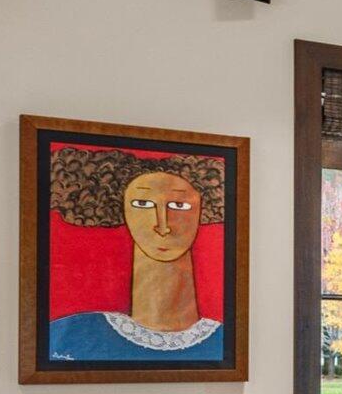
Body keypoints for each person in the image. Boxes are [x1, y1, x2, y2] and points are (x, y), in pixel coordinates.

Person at [46, 144, 228, 363]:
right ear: (118, 208)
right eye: (142, 204)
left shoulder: (225, 342)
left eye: (180, 206)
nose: (163, 225)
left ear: (203, 211)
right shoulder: (70, 335)